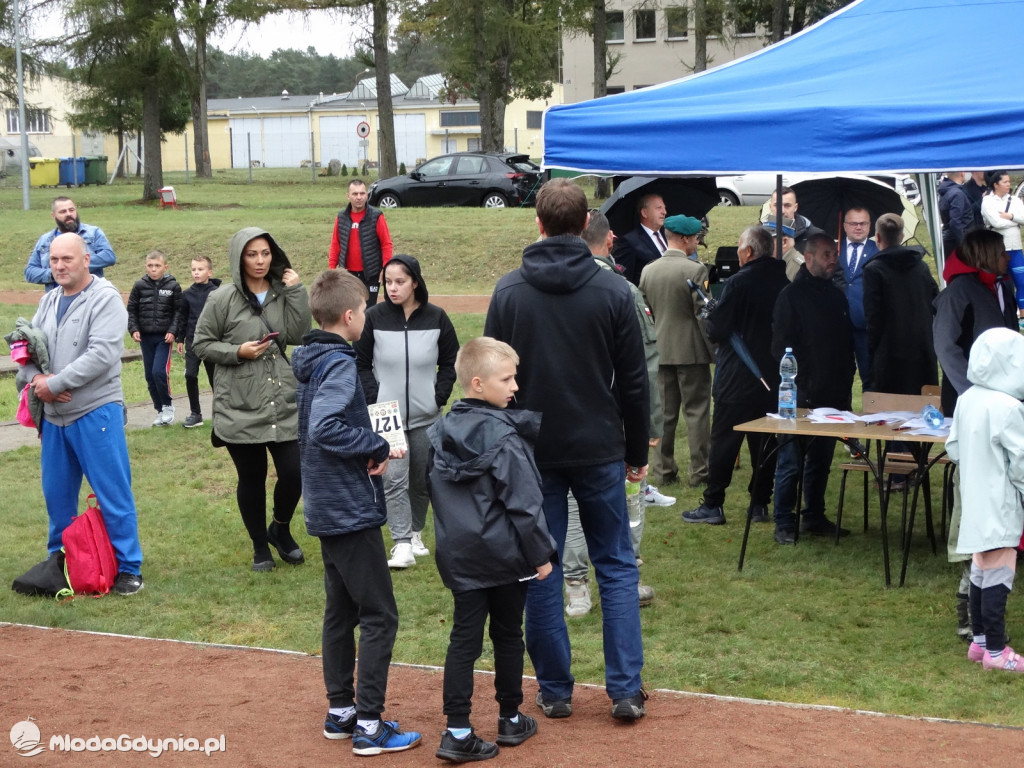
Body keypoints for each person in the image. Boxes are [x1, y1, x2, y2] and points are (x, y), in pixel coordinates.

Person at [484, 178, 650, 722]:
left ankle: (558, 688)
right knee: (613, 563)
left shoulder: (515, 292)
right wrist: (636, 450)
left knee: (545, 565)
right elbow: (634, 382)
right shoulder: (607, 292)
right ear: (585, 226)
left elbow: (489, 379)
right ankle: (620, 687)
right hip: (589, 444)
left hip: (538, 449)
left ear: (538, 223)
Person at [291, 269, 421, 755]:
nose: (367, 316)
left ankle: (342, 711)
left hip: (327, 504)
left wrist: (363, 441)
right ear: (349, 316)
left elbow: (321, 426)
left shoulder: (313, 358)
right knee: (381, 615)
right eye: (364, 311)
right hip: (347, 509)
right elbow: (325, 428)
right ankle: (368, 723)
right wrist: (375, 442)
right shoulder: (340, 365)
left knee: (341, 611)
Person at [427, 337, 556, 762]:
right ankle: (509, 718)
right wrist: (541, 556)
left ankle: (457, 730)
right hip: (504, 556)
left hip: (459, 554)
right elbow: (525, 502)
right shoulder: (506, 436)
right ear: (478, 383)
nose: (515, 386)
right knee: (506, 634)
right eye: (507, 378)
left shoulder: (438, 431)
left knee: (464, 639)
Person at [17, 233, 143, 595]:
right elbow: (25, 353)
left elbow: (102, 354)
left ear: (86, 259)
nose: (59, 266)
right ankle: (59, 559)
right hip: (54, 418)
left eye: (67, 259)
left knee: (112, 492)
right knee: (57, 495)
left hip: (95, 411)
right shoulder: (49, 299)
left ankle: (129, 567)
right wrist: (39, 379)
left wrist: (54, 384)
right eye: (54, 259)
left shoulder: (105, 298)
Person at [193, 227, 312, 571]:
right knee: (252, 477)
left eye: (265, 253)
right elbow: (201, 344)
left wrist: (297, 291)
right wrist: (237, 351)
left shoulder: (280, 292)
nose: (260, 261)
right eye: (251, 254)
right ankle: (260, 545)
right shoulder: (222, 298)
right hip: (239, 400)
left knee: (293, 472)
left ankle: (281, 529)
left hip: (281, 396)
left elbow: (298, 334)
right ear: (238, 258)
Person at [563, 210, 664, 617]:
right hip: (615, 423)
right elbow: (644, 366)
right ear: (609, 240)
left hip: (562, 421)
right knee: (628, 501)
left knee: (571, 504)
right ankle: (626, 576)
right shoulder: (620, 289)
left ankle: (577, 587)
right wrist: (649, 427)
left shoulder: (538, 285)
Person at [933, 228, 1017, 641]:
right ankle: (970, 608)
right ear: (986, 254)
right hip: (972, 402)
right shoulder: (958, 293)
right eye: (1002, 251)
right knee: (977, 503)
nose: (1008, 257)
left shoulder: (1004, 287)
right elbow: (946, 348)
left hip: (1004, 404)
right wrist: (973, 394)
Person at [354, 254, 459, 569]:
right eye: (388, 282)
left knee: (421, 479)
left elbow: (450, 361)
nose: (393, 288)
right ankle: (401, 544)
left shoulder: (437, 317)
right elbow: (360, 362)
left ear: (415, 281)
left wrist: (439, 396)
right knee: (394, 478)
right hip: (387, 414)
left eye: (400, 281)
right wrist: (376, 398)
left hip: (427, 415)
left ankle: (415, 532)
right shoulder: (374, 317)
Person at [683, 225, 789, 526]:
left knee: (725, 442)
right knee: (765, 442)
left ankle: (713, 503)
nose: (738, 252)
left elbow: (717, 330)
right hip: (773, 374)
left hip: (737, 376)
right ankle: (759, 503)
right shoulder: (783, 279)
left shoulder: (739, 282)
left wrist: (712, 315)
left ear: (749, 252)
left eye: (740, 248)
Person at [770, 233, 856, 544]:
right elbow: (781, 347)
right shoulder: (791, 296)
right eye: (825, 254)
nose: (832, 259)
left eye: (834, 254)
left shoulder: (837, 296)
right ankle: (783, 519)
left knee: (821, 460)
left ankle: (814, 515)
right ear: (808, 258)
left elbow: (845, 345)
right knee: (791, 460)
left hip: (833, 392)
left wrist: (845, 382)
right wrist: (800, 382)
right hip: (800, 393)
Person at [948, 327, 1024, 672]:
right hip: (1001, 501)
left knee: (980, 568)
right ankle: (996, 651)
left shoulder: (967, 398)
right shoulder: (1008, 407)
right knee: (999, 572)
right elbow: (1020, 461)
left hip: (974, 497)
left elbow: (953, 448)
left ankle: (980, 643)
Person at [639, 214, 713, 489]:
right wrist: (714, 350)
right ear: (683, 239)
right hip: (691, 351)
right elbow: (703, 314)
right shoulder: (696, 271)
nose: (697, 242)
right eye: (695, 238)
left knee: (665, 414)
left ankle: (664, 471)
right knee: (696, 413)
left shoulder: (649, 270)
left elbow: (645, 313)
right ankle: (700, 472)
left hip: (660, 350)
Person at [862, 213, 938, 394]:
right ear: (902, 237)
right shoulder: (921, 267)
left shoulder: (874, 270)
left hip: (889, 352)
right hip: (921, 349)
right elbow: (935, 300)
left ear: (877, 237)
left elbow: (873, 316)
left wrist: (873, 350)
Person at [126, 250, 182, 427]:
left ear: (165, 267)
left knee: (159, 372)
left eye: (157, 266)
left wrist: (173, 331)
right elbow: (132, 310)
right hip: (145, 338)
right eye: (150, 266)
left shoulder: (173, 286)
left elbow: (179, 311)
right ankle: (159, 410)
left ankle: (167, 405)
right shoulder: (139, 286)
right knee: (149, 375)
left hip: (164, 338)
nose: (153, 269)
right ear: (145, 267)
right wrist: (134, 328)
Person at [25, 197, 117, 290]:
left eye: (71, 210)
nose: (69, 214)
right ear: (53, 216)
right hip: (57, 300)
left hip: (90, 295)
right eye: (63, 212)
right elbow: (30, 272)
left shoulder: (93, 233)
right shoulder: (45, 240)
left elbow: (108, 256)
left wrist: (77, 266)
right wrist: (55, 273)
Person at [328, 179, 393, 305]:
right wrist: (331, 269)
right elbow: (335, 244)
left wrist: (386, 267)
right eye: (355, 194)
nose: (359, 197)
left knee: (368, 309)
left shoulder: (376, 216)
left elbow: (386, 244)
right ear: (348, 196)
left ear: (367, 195)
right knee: (350, 309)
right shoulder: (341, 217)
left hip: (371, 274)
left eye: (362, 193)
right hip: (347, 275)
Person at [173, 256, 221, 428]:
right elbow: (183, 318)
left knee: (215, 378)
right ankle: (196, 413)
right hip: (193, 342)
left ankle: (221, 412)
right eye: (193, 269)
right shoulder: (187, 294)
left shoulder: (217, 292)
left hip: (212, 342)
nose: (196, 272)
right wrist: (180, 338)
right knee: (190, 375)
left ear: (209, 272)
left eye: (200, 269)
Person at [833, 206, 878, 389]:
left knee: (869, 376)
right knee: (839, 377)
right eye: (853, 223)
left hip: (865, 325)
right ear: (844, 226)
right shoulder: (834, 250)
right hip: (838, 324)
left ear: (869, 226)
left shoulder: (876, 251)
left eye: (863, 223)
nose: (858, 227)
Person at [980, 170, 1024, 323]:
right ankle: (1005, 315)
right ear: (996, 184)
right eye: (1005, 182)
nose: (1008, 184)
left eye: (1009, 181)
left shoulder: (1015, 200)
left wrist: (1011, 216)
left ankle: (1022, 315)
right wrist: (1016, 221)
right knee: (1003, 284)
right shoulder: (987, 201)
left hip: (1016, 247)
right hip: (998, 249)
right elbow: (996, 223)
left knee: (1022, 281)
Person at [613, 192, 667, 285]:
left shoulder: (668, 234)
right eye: (659, 208)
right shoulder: (629, 242)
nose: (664, 212)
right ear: (644, 213)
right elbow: (625, 280)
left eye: (664, 208)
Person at [760, 186, 822, 253]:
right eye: (777, 205)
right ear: (770, 207)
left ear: (795, 207)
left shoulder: (815, 236)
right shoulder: (760, 235)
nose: (782, 211)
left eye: (787, 205)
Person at [938, 171, 974, 259]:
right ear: (962, 174)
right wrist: (963, 243)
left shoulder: (946, 191)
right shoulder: (957, 194)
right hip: (956, 241)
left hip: (948, 238)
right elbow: (955, 222)